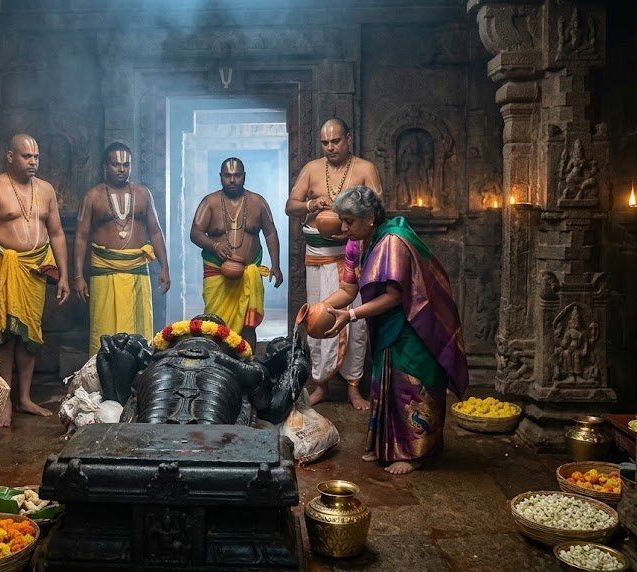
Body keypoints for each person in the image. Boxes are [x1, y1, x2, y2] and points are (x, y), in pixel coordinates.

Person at [317, 186, 468, 474]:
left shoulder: (393, 241)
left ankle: (414, 453)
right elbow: (348, 289)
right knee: (385, 382)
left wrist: (350, 315)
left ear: (370, 218)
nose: (343, 228)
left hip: (413, 325)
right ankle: (386, 445)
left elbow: (394, 296)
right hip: (386, 324)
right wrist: (322, 307)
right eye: (342, 220)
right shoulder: (356, 243)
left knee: (409, 385)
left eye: (349, 221)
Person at [0, 134, 69, 424]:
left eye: (36, 156)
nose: (33, 162)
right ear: (10, 157)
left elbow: (57, 234)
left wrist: (64, 274)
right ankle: (4, 401)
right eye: (27, 156)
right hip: (2, 266)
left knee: (29, 335)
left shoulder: (46, 190)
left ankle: (24, 398)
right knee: (4, 335)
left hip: (34, 268)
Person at [285, 118, 382, 410]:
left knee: (356, 324)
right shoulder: (312, 169)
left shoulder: (365, 168)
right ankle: (321, 384)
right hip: (317, 255)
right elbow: (290, 206)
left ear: (348, 138)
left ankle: (353, 387)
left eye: (335, 141)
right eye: (325, 142)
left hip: (352, 253)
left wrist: (349, 218)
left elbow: (378, 209)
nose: (330, 147)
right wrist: (312, 205)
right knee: (318, 315)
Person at [73, 142, 170, 356]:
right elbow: (80, 236)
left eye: (126, 165)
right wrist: (78, 275)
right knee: (104, 326)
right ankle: (103, 369)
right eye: (116, 164)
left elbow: (155, 231)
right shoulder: (93, 196)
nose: (122, 169)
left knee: (138, 329)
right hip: (104, 268)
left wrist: (165, 267)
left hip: (137, 268)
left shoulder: (143, 194)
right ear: (105, 166)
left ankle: (138, 369)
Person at [190, 157, 282, 350]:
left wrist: (275, 265)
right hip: (217, 273)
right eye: (227, 176)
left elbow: (270, 233)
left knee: (248, 326)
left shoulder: (258, 202)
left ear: (244, 176)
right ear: (220, 177)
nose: (232, 180)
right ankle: (215, 363)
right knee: (214, 324)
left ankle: (248, 363)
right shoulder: (209, 202)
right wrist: (215, 245)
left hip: (248, 273)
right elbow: (195, 233)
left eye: (237, 175)